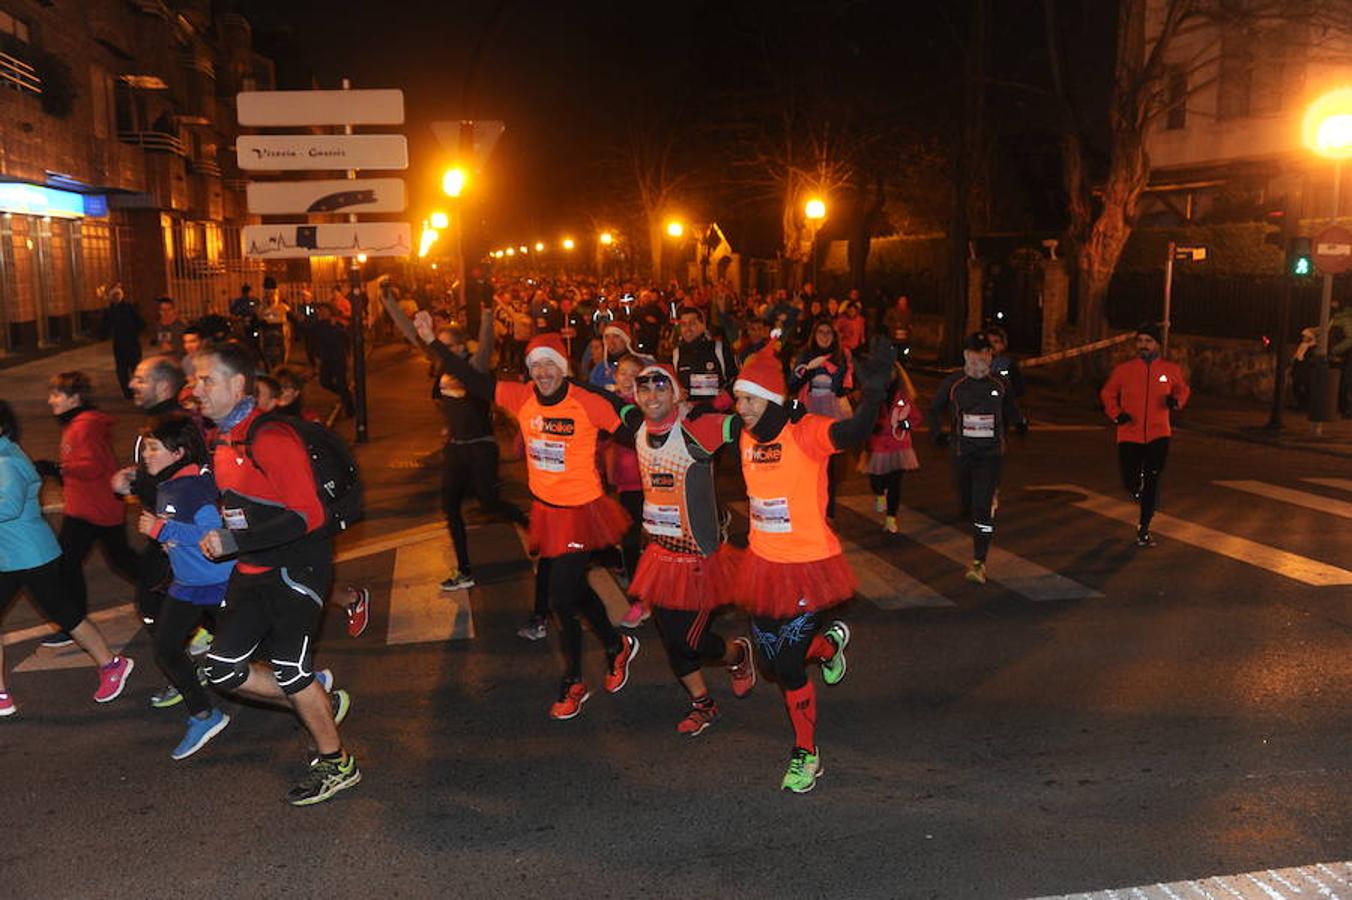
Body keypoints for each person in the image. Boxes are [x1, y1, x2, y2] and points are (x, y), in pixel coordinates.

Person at [413, 314, 639, 721]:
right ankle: (615, 643)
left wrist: (666, 423)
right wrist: (433, 342)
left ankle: (572, 681)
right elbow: (472, 376)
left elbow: (633, 428)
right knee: (574, 591)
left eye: (549, 364)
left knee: (560, 598)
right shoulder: (522, 397)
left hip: (580, 511)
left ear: (563, 366)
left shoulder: (586, 399)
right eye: (535, 366)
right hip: (545, 511)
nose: (543, 373)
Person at [193, 341, 359, 806]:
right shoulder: (222, 438)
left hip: (297, 568)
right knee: (222, 669)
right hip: (253, 569)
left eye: (206, 380)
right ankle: (316, 701)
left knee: (289, 671)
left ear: (236, 384)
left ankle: (337, 761)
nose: (196, 389)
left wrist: (234, 541)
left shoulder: (270, 437)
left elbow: (309, 515)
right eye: (195, 380)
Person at [730, 338, 895, 792]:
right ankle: (827, 646)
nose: (739, 406)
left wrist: (875, 395)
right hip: (763, 566)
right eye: (738, 398)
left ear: (769, 399)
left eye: (747, 399)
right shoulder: (746, 436)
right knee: (768, 659)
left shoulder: (803, 433)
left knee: (785, 666)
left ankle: (806, 751)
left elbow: (851, 433)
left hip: (808, 566)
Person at [621, 362, 756, 735]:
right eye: (644, 388)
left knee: (689, 641)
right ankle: (703, 704)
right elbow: (596, 403)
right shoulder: (637, 428)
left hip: (699, 560)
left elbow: (746, 423)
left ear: (677, 393)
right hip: (660, 557)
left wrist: (747, 401)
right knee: (672, 640)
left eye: (661, 387)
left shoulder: (697, 429)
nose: (652, 395)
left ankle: (737, 654)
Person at [0, 401, 135, 714]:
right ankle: (1, 695)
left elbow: (9, 507)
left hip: (31, 556)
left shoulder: (6, 461)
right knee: (65, 613)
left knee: (67, 614)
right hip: (12, 557)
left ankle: (112, 664)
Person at [135, 414, 233, 758]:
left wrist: (164, 532)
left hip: (218, 582)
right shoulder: (171, 483)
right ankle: (204, 714)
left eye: (153, 448)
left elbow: (214, 535)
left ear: (177, 453)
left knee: (251, 652)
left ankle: (309, 688)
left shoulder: (192, 488)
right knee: (165, 648)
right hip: (187, 585)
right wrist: (168, 539)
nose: (146, 454)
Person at [36, 372, 142, 647]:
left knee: (71, 564)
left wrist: (59, 468)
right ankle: (74, 622)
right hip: (90, 507)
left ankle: (73, 623)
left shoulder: (85, 426)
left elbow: (93, 466)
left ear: (75, 398)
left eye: (57, 395)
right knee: (117, 561)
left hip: (94, 509)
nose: (51, 401)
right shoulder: (79, 423)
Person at [930, 333, 1022, 583]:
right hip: (962, 453)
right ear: (966, 356)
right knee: (967, 504)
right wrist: (937, 434)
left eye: (985, 353)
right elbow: (934, 409)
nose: (980, 359)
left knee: (981, 508)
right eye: (975, 353)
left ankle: (979, 561)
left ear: (990, 356)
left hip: (990, 456)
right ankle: (975, 504)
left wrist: (1020, 423)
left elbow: (1012, 408)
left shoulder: (1000, 384)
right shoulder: (954, 383)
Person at [1100, 322, 1190, 547]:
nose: (1143, 345)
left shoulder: (1170, 370)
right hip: (1129, 433)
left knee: (1152, 478)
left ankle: (1144, 527)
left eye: (1148, 341)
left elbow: (1182, 389)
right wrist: (1116, 414)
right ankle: (1137, 491)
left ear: (1157, 344)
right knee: (1129, 480)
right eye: (1140, 341)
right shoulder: (1124, 370)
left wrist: (1176, 401)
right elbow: (1108, 393)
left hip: (1159, 434)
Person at [789, 319, 855, 519]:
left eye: (828, 333)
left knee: (831, 465)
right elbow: (792, 384)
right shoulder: (805, 355)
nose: (825, 336)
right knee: (809, 462)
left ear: (834, 336)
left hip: (832, 411)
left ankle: (828, 512)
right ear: (814, 335)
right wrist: (808, 369)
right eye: (821, 332)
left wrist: (838, 373)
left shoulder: (842, 355)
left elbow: (845, 387)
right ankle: (809, 507)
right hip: (809, 411)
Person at [862, 362, 922, 534]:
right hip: (878, 444)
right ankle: (880, 494)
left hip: (899, 445)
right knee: (876, 479)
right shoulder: (873, 394)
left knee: (895, 482)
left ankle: (891, 518)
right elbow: (863, 415)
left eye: (892, 371)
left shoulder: (904, 395)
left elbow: (916, 417)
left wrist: (907, 424)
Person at [672, 306, 738, 406]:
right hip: (688, 416)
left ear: (703, 325)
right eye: (683, 325)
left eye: (692, 323)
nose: (687, 329)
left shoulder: (720, 349)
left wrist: (718, 403)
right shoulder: (676, 354)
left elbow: (737, 380)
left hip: (718, 415)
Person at [310, 304, 355, 418]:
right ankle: (346, 396)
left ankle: (350, 409)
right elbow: (310, 335)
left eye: (325, 311)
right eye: (321, 311)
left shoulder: (336, 324)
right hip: (326, 358)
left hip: (338, 357)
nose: (323, 313)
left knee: (342, 382)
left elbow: (346, 338)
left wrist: (348, 356)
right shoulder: (318, 325)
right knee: (325, 381)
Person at [986, 325, 1029, 434]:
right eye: (989, 343)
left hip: (1002, 402)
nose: (992, 347)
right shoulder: (978, 361)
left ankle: (1019, 422)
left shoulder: (1007, 363)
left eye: (996, 342)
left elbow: (1016, 384)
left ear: (1003, 344)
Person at [103, 285, 144, 399]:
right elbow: (140, 322)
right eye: (114, 295)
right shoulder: (115, 310)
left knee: (130, 368)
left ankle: (133, 390)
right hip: (125, 343)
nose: (115, 297)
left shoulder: (121, 309)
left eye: (117, 295)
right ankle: (130, 391)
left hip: (128, 342)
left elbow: (139, 322)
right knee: (126, 369)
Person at [588, 321, 638, 392]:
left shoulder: (641, 364)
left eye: (616, 337)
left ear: (626, 339)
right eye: (607, 337)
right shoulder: (600, 368)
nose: (611, 342)